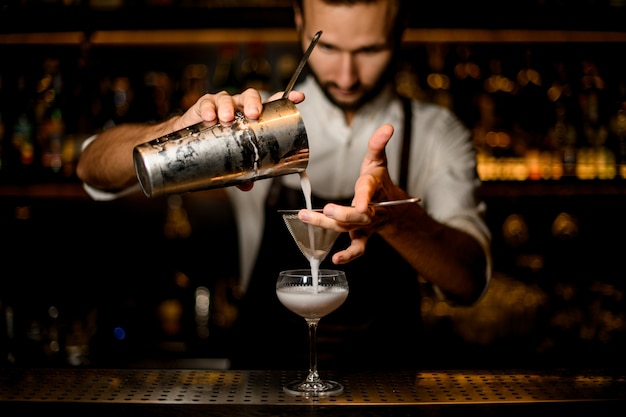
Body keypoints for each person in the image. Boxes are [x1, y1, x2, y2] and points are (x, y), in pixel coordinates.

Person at [77, 0, 491, 370]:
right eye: (327, 48)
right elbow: (91, 167)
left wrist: (396, 218)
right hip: (260, 387)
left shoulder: (437, 133)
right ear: (300, 20)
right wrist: (176, 133)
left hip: (388, 393)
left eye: (370, 50)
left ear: (400, 31)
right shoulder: (257, 128)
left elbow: (468, 282)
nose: (346, 75)